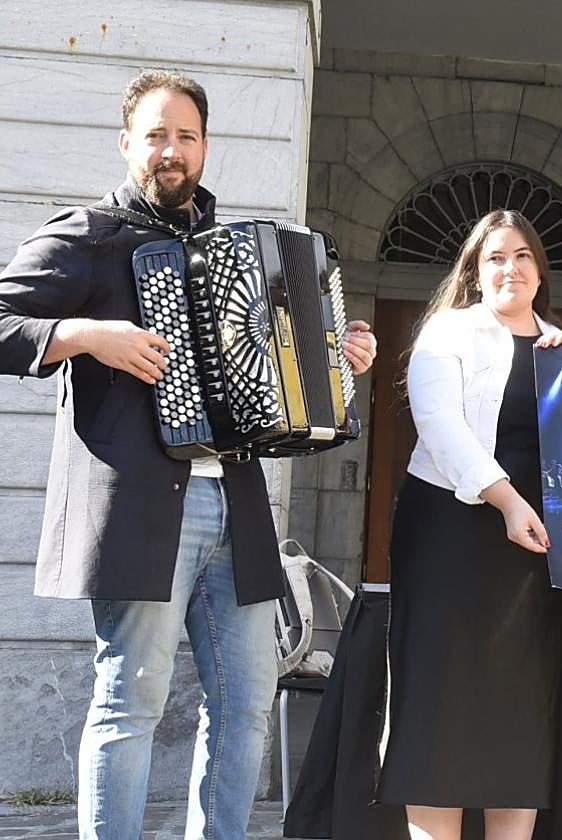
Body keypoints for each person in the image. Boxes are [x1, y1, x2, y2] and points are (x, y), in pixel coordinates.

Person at [0, 70, 377, 839]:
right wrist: (80, 335)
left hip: (234, 506)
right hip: (142, 506)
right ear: (126, 143)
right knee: (131, 697)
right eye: (156, 135)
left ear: (205, 147)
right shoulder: (89, 236)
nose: (171, 151)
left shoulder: (233, 248)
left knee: (244, 703)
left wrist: (337, 358)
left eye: (186, 137)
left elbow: (273, 368)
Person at [377, 209, 562, 840]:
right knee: (442, 707)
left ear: (539, 271)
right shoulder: (447, 330)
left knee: (519, 710)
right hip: (450, 537)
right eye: (496, 256)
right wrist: (507, 500)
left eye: (523, 255)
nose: (511, 267)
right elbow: (439, 427)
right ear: (475, 270)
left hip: (535, 551)